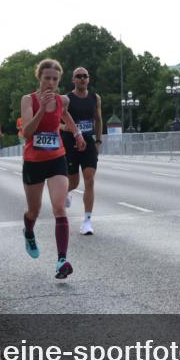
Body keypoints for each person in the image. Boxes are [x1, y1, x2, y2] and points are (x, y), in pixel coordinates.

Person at [20, 58, 86, 279]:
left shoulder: (62, 100)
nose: (50, 83)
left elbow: (65, 114)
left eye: (55, 79)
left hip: (56, 157)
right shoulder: (28, 100)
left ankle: (61, 260)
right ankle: (29, 232)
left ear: (59, 80)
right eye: (46, 78)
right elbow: (27, 133)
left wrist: (76, 134)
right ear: (39, 78)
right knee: (34, 210)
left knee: (59, 207)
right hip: (33, 161)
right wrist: (41, 110)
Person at [62, 67, 103, 235]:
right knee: (73, 182)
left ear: (89, 79)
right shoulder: (66, 99)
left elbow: (99, 120)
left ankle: (87, 221)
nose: (82, 79)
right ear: (73, 80)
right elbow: (56, 123)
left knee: (90, 179)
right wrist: (72, 129)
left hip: (88, 143)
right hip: (70, 144)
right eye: (78, 76)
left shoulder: (95, 98)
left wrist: (98, 141)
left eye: (85, 76)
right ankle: (66, 193)